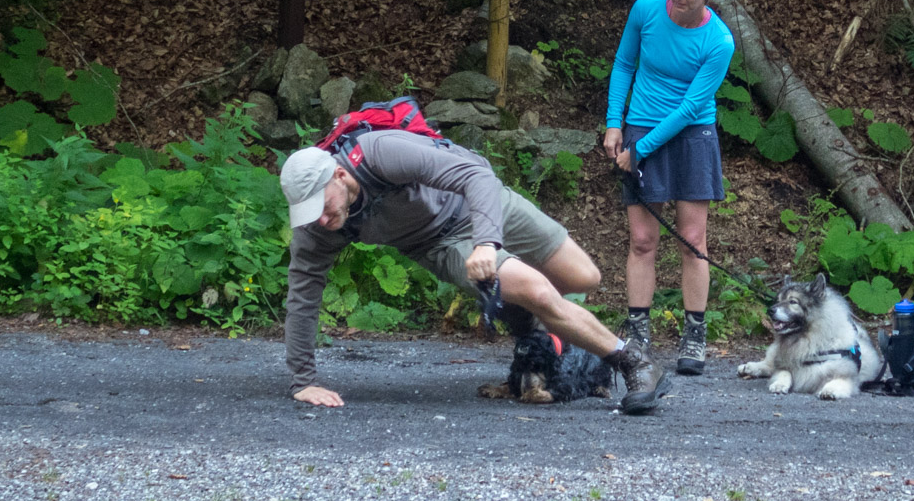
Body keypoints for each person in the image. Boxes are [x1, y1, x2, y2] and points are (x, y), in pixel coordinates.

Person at [278, 128, 668, 413]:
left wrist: (487, 241)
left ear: (340, 176)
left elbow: (475, 176)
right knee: (536, 291)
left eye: (323, 205)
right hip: (438, 243)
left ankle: (527, 329)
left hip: (479, 201)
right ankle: (634, 361)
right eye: (310, 212)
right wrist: (303, 381)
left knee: (584, 278)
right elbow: (303, 291)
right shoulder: (320, 225)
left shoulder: (380, 153)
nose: (321, 218)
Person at [602, 0, 736, 375]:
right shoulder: (645, 10)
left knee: (692, 240)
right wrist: (614, 124)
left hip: (691, 135)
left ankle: (694, 334)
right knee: (642, 240)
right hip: (640, 125)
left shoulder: (718, 41)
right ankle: (638, 332)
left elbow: (690, 107)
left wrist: (640, 150)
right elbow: (624, 64)